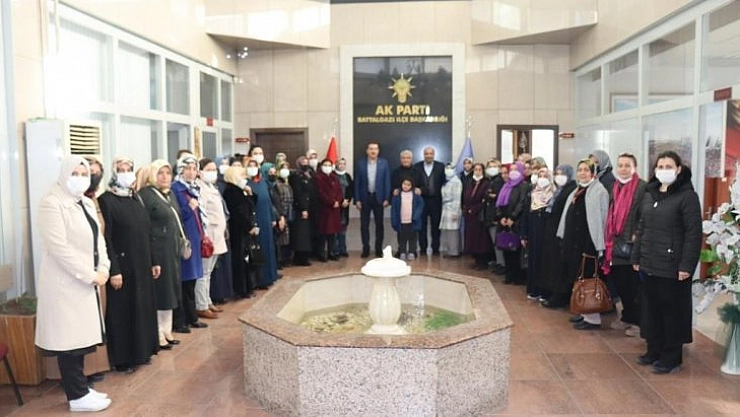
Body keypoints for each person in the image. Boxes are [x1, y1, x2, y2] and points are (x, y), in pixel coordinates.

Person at [36, 155, 112, 412]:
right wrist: (90, 275)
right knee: (67, 343)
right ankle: (76, 395)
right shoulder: (52, 202)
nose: (80, 179)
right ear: (64, 174)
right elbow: (59, 249)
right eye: (75, 174)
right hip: (65, 284)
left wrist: (104, 268)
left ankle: (82, 389)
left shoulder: (86, 203)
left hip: (85, 283)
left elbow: (99, 241)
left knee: (80, 341)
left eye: (84, 174)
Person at [631, 151, 702, 374]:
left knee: (671, 313)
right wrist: (636, 256)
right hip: (649, 263)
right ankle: (653, 350)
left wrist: (686, 266)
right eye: (660, 167)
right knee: (651, 311)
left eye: (668, 166)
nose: (664, 170)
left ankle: (671, 358)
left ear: (678, 169)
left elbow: (693, 234)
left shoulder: (687, 196)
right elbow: (642, 227)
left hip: (672, 266)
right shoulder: (650, 193)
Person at [98, 157, 160, 370]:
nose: (126, 173)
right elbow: (107, 239)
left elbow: (146, 231)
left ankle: (143, 351)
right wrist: (114, 270)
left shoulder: (135, 197)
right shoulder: (106, 200)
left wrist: (153, 260)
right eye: (121, 170)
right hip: (122, 267)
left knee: (142, 308)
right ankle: (124, 359)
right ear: (114, 174)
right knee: (123, 312)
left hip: (141, 263)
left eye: (129, 169)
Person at [556, 159, 609, 330]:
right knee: (577, 278)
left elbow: (602, 220)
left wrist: (594, 246)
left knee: (588, 280)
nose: (582, 173)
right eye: (580, 170)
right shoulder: (577, 190)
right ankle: (584, 312)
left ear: (593, 172)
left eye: (586, 170)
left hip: (588, 243)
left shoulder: (599, 191)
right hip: (573, 243)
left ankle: (593, 318)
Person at [139, 160, 183, 348]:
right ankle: (157, 333)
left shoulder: (169, 194)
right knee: (161, 291)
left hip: (171, 250)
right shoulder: (147, 195)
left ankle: (167, 330)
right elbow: (146, 226)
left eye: (168, 173)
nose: (165, 177)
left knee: (170, 291)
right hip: (158, 251)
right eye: (160, 173)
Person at [602, 153, 646, 337]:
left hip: (632, 244)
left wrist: (637, 234)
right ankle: (627, 317)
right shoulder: (614, 186)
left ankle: (638, 322)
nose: (623, 169)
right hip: (614, 243)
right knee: (620, 283)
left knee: (633, 285)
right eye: (620, 165)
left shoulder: (642, 187)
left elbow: (644, 215)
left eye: (627, 165)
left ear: (634, 167)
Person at [170, 155, 208, 331]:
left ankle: (192, 317)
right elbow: (178, 215)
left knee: (192, 280)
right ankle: (184, 319)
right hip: (185, 240)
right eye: (187, 168)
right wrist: (189, 207)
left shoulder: (193, 188)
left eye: (194, 169)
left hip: (195, 237)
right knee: (185, 281)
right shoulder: (176, 189)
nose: (191, 172)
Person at [194, 158, 229, 319]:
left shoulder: (212, 187)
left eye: (214, 169)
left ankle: (207, 301)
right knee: (203, 272)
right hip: (209, 235)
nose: (213, 172)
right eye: (209, 169)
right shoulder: (200, 188)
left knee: (209, 272)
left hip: (217, 234)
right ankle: (201, 305)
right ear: (200, 172)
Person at [541, 164, 578, 309]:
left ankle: (560, 297)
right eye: (557, 173)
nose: (559, 176)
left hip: (560, 233)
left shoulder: (571, 189)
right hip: (552, 232)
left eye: (562, 173)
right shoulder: (560, 190)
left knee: (559, 266)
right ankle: (553, 293)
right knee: (553, 265)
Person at [222, 166, 258, 298]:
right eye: (242, 175)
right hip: (238, 231)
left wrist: (250, 193)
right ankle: (241, 289)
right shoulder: (231, 192)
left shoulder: (240, 190)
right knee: (239, 260)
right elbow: (237, 214)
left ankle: (248, 286)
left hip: (244, 230)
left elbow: (251, 205)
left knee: (246, 259)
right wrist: (248, 227)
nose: (245, 178)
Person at [245, 149, 279, 287]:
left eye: (255, 166)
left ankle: (271, 275)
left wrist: (273, 217)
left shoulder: (263, 181)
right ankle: (260, 279)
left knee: (268, 247)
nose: (253, 168)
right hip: (255, 218)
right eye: (250, 166)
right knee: (258, 249)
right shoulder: (246, 183)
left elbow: (268, 200)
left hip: (266, 217)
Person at [520, 167, 556, 300]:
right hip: (533, 233)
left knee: (545, 263)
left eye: (545, 176)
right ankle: (534, 289)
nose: (542, 179)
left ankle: (544, 291)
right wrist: (524, 234)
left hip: (547, 234)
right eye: (540, 176)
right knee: (534, 261)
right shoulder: (532, 194)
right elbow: (525, 216)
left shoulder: (553, 195)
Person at [354, 141, 391, 258]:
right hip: (364, 198)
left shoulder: (384, 163)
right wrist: (357, 199)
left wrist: (387, 198)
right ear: (367, 151)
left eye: (375, 149)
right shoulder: (360, 164)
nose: (373, 151)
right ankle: (366, 248)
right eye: (371, 149)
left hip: (379, 198)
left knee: (379, 225)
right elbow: (357, 183)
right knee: (364, 225)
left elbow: (387, 181)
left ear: (378, 151)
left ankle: (378, 249)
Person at [495, 162, 527, 283]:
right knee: (506, 249)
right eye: (511, 170)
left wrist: (513, 217)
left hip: (516, 221)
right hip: (504, 221)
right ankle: (508, 276)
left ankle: (517, 277)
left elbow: (522, 202)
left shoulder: (523, 185)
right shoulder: (506, 185)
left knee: (515, 250)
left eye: (516, 170)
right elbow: (499, 203)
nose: (513, 172)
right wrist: (501, 217)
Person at [415, 146, 446, 256]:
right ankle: (423, 249)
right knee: (421, 226)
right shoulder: (417, 166)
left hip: (436, 201)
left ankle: (435, 249)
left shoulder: (440, 166)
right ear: (424, 155)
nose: (428, 156)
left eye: (430, 153)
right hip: (421, 200)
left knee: (436, 226)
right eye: (426, 153)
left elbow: (444, 182)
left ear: (434, 155)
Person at [463, 163, 492, 270]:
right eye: (475, 169)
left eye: (480, 169)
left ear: (483, 171)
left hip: (479, 215)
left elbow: (484, 200)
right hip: (469, 215)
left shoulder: (486, 183)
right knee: (472, 239)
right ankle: (476, 259)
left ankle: (482, 261)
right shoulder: (470, 182)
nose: (477, 171)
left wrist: (474, 209)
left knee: (481, 240)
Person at [315, 158, 344, 261]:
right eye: (325, 165)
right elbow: (320, 193)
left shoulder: (334, 177)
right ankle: (321, 253)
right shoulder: (318, 178)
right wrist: (331, 202)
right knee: (323, 232)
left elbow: (339, 191)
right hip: (324, 209)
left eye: (329, 165)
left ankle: (331, 252)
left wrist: (338, 201)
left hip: (335, 210)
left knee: (333, 232)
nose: (327, 167)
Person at [289, 156, 316, 266]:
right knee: (301, 235)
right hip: (301, 208)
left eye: (306, 162)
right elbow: (298, 193)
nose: (305, 164)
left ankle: (306, 256)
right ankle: (300, 258)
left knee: (307, 234)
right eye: (302, 162)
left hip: (311, 207)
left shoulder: (310, 174)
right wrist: (303, 208)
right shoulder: (296, 176)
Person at [391, 178, 424, 260]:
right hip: (401, 221)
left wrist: (416, 216)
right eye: (404, 184)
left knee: (412, 237)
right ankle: (402, 252)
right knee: (402, 237)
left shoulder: (416, 195)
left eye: (408, 185)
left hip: (412, 221)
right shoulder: (397, 196)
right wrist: (394, 220)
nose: (406, 186)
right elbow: (394, 209)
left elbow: (420, 206)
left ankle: (412, 252)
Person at [483, 159, 505, 274]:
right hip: (490, 215)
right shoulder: (490, 180)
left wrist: (491, 195)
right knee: (494, 242)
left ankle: (502, 264)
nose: (492, 168)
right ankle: (499, 262)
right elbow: (487, 195)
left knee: (498, 242)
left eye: (494, 166)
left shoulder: (499, 181)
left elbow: (496, 197)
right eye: (490, 166)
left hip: (495, 216)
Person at [440, 163, 463, 257]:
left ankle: (454, 252)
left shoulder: (456, 181)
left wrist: (455, 212)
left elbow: (457, 198)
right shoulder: (446, 181)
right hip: (445, 208)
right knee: (447, 231)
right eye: (447, 168)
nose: (448, 170)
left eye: (451, 168)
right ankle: (449, 250)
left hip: (453, 208)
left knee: (453, 231)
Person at [275, 162, 295, 265]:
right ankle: (279, 260)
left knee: (286, 237)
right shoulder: (277, 184)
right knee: (280, 237)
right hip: (281, 212)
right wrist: (280, 214)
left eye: (287, 168)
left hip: (289, 212)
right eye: (283, 168)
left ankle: (285, 258)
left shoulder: (288, 183)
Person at [333, 158, 354, 257]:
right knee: (335, 228)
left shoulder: (347, 176)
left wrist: (347, 200)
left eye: (343, 164)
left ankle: (343, 249)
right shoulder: (332, 175)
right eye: (340, 163)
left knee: (343, 228)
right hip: (335, 205)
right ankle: (335, 250)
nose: (342, 165)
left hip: (345, 206)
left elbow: (351, 190)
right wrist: (340, 201)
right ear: (336, 164)